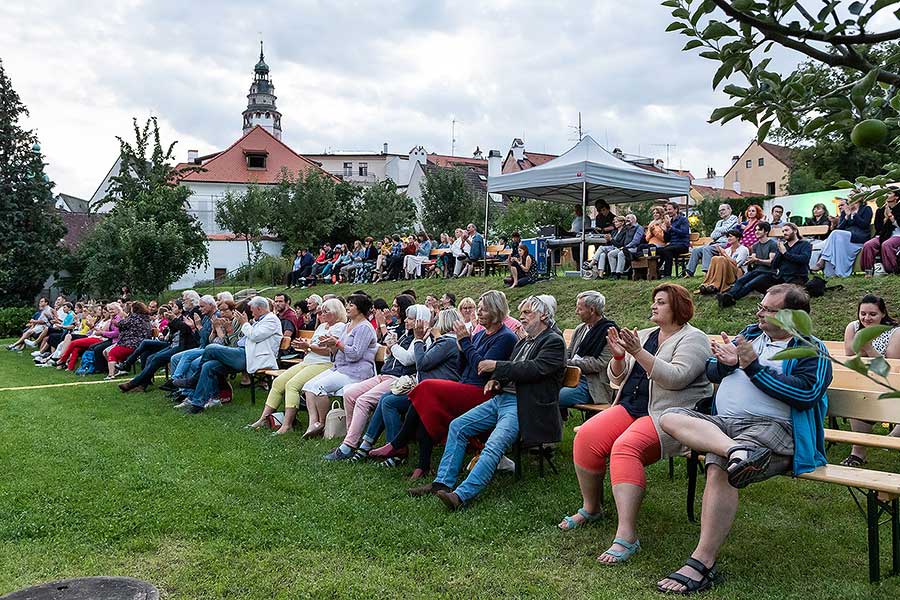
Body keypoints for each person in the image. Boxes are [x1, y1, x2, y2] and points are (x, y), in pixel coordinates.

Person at [657, 284, 831, 593]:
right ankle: (737, 450)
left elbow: (805, 394)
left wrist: (751, 367)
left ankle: (702, 563)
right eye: (760, 306)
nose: (759, 313)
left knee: (720, 467)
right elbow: (712, 371)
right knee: (670, 417)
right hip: (725, 426)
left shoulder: (811, 349)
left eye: (768, 309)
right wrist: (723, 364)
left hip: (775, 428)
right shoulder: (749, 334)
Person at [558, 284, 711, 567]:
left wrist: (638, 353)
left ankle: (627, 534)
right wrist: (618, 357)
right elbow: (618, 379)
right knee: (587, 437)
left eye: (661, 302)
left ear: (678, 307)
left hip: (668, 414)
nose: (653, 306)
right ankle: (592, 508)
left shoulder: (694, 340)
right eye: (654, 301)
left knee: (625, 448)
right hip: (629, 407)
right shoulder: (645, 335)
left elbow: (676, 378)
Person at [422, 295, 566, 510]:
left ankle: (461, 496)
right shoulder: (526, 340)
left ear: (544, 315)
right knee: (458, 426)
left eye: (527, 313)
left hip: (524, 405)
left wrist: (496, 367)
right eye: (522, 312)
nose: (522, 317)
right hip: (503, 398)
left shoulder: (553, 341)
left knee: (495, 444)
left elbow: (534, 369)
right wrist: (497, 380)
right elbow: (514, 368)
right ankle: (442, 483)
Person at [369, 291, 518, 481]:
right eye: (478, 308)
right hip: (466, 386)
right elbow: (464, 367)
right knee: (424, 405)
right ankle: (421, 465)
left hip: (483, 392)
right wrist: (461, 348)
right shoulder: (480, 334)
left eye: (483, 309)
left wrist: (465, 342)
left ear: (496, 311)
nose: (478, 313)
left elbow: (482, 369)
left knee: (426, 388)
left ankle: (398, 443)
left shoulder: (505, 337)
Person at [354, 308, 463, 472]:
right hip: (425, 389)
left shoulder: (446, 342)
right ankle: (371, 444)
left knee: (391, 402)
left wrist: (418, 340)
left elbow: (421, 363)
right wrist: (392, 349)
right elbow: (394, 361)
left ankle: (396, 449)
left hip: (435, 393)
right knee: (387, 399)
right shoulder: (442, 341)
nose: (406, 320)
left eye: (410, 318)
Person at [322, 304, 424, 461]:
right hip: (384, 374)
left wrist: (392, 345)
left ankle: (349, 446)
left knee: (363, 400)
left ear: (420, 320)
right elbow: (388, 359)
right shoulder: (404, 335)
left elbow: (407, 359)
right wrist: (389, 353)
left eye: (410, 319)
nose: (406, 321)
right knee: (349, 394)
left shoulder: (419, 339)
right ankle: (352, 438)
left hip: (399, 379)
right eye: (407, 318)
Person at [246, 298, 347, 433]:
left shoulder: (340, 327)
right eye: (321, 312)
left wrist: (309, 346)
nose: (321, 315)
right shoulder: (322, 326)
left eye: (325, 311)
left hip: (324, 363)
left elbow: (328, 352)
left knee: (292, 385)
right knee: (278, 382)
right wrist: (305, 347)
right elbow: (314, 346)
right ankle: (264, 419)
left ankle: (287, 425)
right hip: (309, 361)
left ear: (335, 312)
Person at [182, 295, 282, 414]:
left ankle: (194, 380)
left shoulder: (271, 320)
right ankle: (197, 404)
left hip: (252, 357)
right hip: (244, 353)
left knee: (211, 348)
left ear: (259, 309)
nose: (251, 313)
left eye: (252, 310)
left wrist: (244, 323)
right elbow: (243, 340)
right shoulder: (259, 320)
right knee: (208, 366)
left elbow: (255, 336)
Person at [301, 294, 377, 438]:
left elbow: (355, 354)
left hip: (356, 372)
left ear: (360, 309)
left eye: (351, 305)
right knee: (308, 386)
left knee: (318, 387)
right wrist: (331, 345)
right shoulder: (348, 325)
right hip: (340, 368)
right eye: (347, 304)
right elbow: (337, 352)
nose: (347, 307)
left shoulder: (364, 328)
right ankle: (313, 423)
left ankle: (323, 424)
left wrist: (336, 343)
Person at [840, 295, 900, 466]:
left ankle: (892, 438)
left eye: (872, 314)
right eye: (863, 313)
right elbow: (850, 355)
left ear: (883, 313)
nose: (867, 318)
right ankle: (858, 452)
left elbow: (891, 367)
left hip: (890, 383)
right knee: (857, 397)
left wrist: (868, 348)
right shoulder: (853, 327)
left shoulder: (895, 332)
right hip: (863, 381)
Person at [718, 223, 810, 308]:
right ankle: (728, 296)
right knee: (744, 280)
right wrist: (779, 253)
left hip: (796, 277)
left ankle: (732, 298)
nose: (784, 233)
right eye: (783, 231)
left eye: (786, 230)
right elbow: (774, 264)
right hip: (780, 277)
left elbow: (803, 259)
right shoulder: (783, 246)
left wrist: (785, 253)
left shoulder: (804, 244)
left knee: (753, 283)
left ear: (795, 230)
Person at [118, 300, 197, 393]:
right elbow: (170, 332)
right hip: (172, 343)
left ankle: (133, 381)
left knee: (152, 353)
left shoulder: (189, 316)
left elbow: (185, 330)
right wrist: (171, 320)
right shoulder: (181, 317)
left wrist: (174, 319)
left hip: (181, 345)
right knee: (148, 355)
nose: (172, 308)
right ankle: (141, 384)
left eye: (175, 307)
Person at [559, 291, 616, 408]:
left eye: (579, 309)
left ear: (592, 310)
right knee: (541, 390)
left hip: (591, 384)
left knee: (556, 397)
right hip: (570, 376)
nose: (576, 312)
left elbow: (598, 364)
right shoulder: (580, 328)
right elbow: (570, 353)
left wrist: (565, 363)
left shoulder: (610, 332)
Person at [814, 194, 873, 277]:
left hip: (860, 237)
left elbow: (864, 225)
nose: (850, 197)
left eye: (853, 195)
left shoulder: (866, 209)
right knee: (835, 237)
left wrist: (854, 215)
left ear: (860, 197)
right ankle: (831, 273)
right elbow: (840, 228)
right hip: (845, 237)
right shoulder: (845, 211)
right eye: (850, 195)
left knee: (835, 234)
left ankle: (823, 258)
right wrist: (846, 217)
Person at [683, 203, 741, 277]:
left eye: (723, 210)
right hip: (715, 243)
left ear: (730, 210)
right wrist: (721, 232)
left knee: (707, 249)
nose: (721, 212)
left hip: (726, 243)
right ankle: (689, 272)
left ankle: (707, 272)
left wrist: (719, 231)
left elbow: (726, 229)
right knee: (696, 250)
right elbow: (713, 236)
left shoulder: (733, 218)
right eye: (719, 211)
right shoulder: (719, 222)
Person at [105, 302, 152, 380]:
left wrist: (115, 321)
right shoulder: (146, 318)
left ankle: (111, 374)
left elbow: (120, 324)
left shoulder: (134, 318)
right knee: (114, 349)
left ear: (134, 309)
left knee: (112, 352)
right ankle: (121, 369)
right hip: (143, 343)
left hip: (133, 343)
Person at [861, 187, 900, 276]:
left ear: (896, 197)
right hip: (883, 235)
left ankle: (892, 270)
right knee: (868, 244)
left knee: (887, 244)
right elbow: (878, 227)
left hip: (897, 234)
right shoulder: (880, 210)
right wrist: (885, 220)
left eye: (889, 193)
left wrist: (891, 217)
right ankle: (868, 271)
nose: (886, 195)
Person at [697, 229, 749, 296]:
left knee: (721, 258)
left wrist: (724, 254)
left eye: (731, 236)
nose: (728, 238)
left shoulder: (743, 249)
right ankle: (708, 283)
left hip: (737, 272)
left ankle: (716, 285)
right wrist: (721, 254)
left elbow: (736, 264)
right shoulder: (727, 250)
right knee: (715, 258)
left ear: (737, 238)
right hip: (727, 271)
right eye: (728, 237)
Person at [656, 201, 690, 278]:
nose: (668, 211)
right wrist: (665, 231)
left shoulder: (683, 220)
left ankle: (667, 274)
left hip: (682, 245)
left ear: (676, 210)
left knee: (667, 250)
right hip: (673, 245)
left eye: (670, 209)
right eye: (667, 210)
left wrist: (671, 227)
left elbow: (684, 233)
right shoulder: (670, 221)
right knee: (657, 250)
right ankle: (657, 272)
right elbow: (667, 239)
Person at [605, 213, 644, 278]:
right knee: (611, 254)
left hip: (634, 248)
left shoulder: (639, 227)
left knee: (621, 253)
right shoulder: (627, 228)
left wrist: (625, 247)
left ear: (634, 219)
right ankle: (613, 272)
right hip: (625, 247)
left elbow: (636, 241)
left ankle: (618, 273)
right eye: (626, 218)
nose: (626, 219)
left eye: (628, 218)